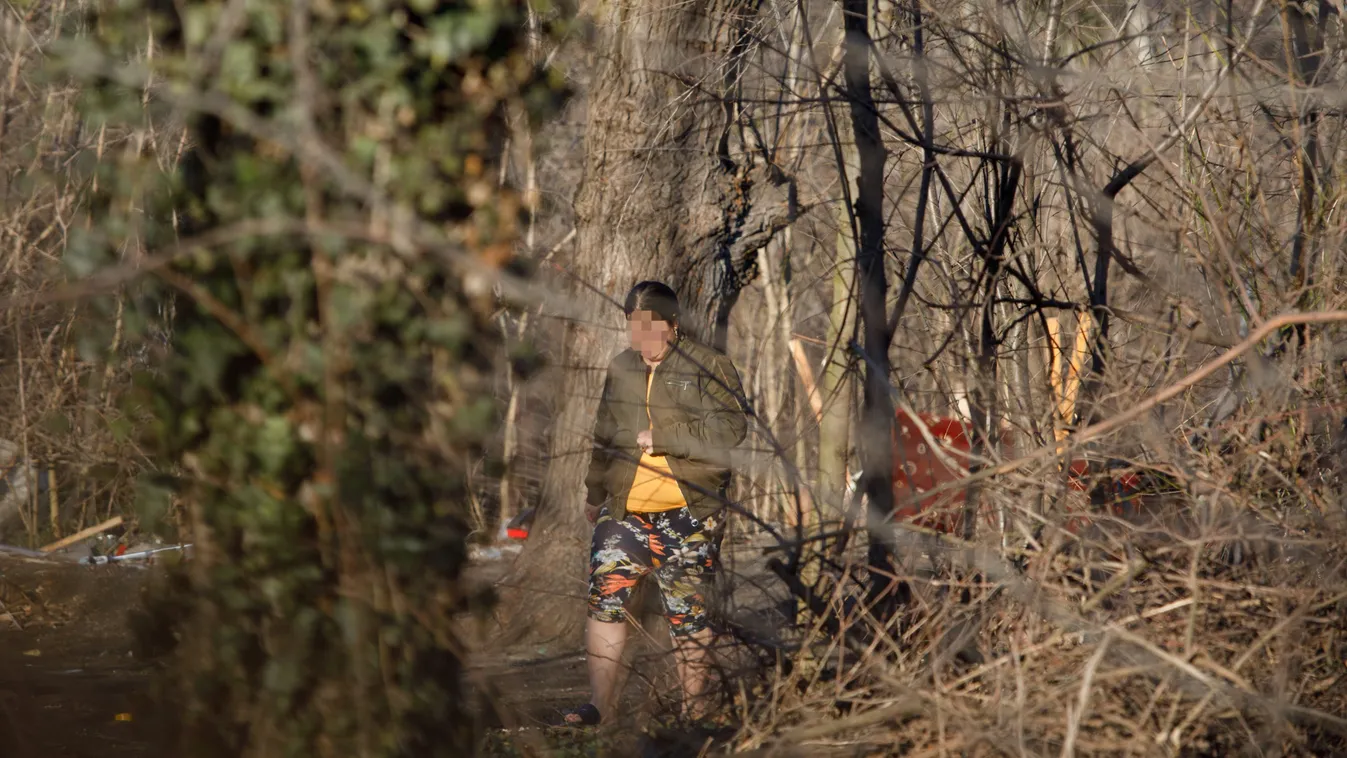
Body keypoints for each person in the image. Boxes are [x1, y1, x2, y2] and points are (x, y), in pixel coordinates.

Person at [562, 281, 747, 726]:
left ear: (673, 325)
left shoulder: (709, 365)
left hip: (689, 511)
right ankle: (599, 707)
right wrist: (594, 493)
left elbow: (731, 432)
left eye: (650, 327)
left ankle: (696, 714)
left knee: (688, 615)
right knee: (605, 599)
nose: (641, 337)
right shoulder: (621, 367)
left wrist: (666, 439)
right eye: (632, 326)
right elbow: (604, 437)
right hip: (625, 510)